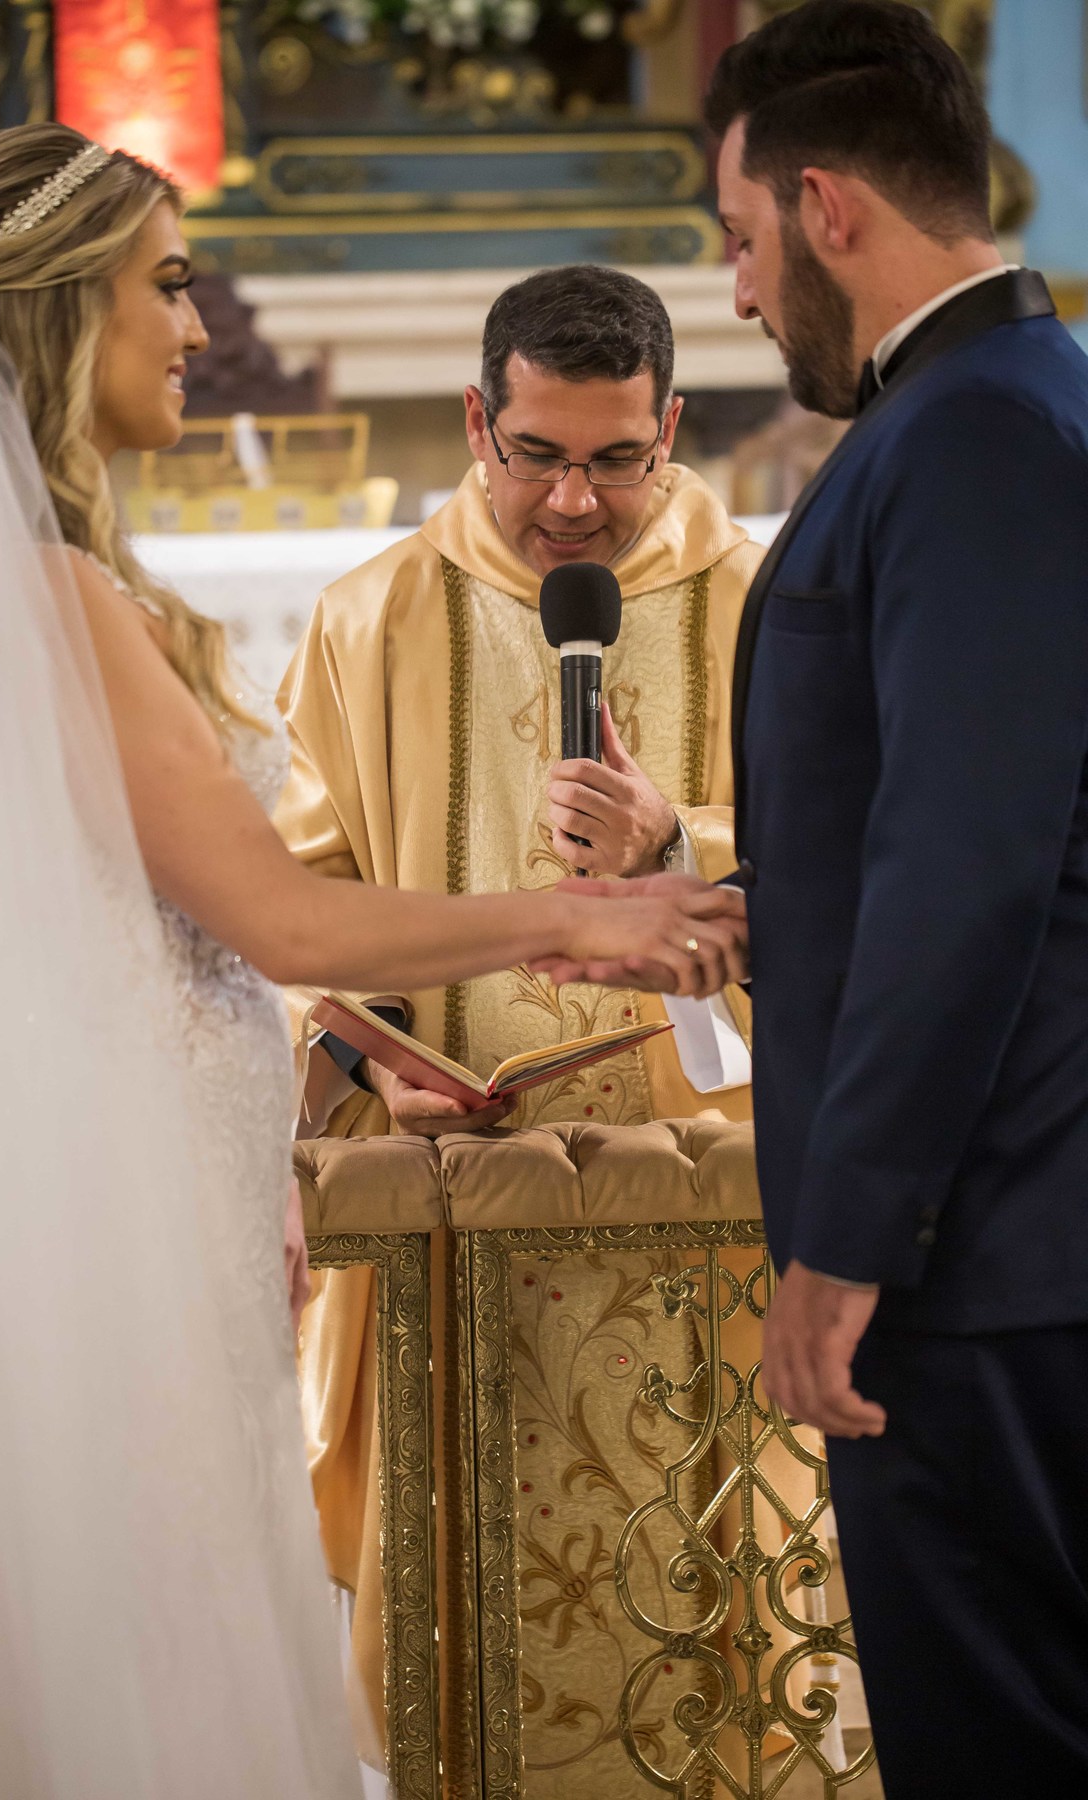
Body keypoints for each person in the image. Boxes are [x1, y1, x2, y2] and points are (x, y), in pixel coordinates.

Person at [0, 124, 745, 1799]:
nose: (197, 326)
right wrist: (578, 916)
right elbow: (278, 920)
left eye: (619, 460)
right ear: (71, 312)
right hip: (166, 1234)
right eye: (169, 283)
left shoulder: (23, 588)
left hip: (250, 1210)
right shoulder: (84, 593)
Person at [556, 2, 1088, 1790]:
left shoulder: (976, 440)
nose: (735, 290)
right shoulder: (988, 413)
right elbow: (959, 846)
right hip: (1000, 1235)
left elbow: (974, 873)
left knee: (999, 1738)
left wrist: (845, 1247)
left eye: (740, 238)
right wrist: (706, 900)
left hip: (987, 1257)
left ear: (832, 208)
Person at [274, 266, 817, 1780]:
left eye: (617, 459)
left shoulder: (770, 605)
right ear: (477, 423)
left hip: (709, 1210)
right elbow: (304, 907)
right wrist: (380, 1060)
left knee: (716, 1634)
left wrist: (684, 842)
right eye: (540, 456)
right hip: (455, 1215)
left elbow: (863, 880)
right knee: (468, 1648)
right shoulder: (368, 616)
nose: (575, 503)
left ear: (672, 431)